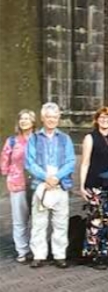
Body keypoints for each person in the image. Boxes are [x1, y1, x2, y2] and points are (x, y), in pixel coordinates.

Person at [26, 101, 75, 268]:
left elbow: (70, 161)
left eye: (55, 117)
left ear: (58, 118)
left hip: (60, 185)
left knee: (60, 222)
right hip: (41, 185)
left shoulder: (65, 139)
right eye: (48, 117)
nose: (52, 120)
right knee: (39, 222)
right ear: (42, 118)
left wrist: (57, 177)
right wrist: (46, 177)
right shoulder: (34, 138)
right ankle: (39, 255)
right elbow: (30, 162)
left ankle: (59, 255)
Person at [78, 107, 108, 268]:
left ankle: (106, 253)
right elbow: (85, 162)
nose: (105, 120)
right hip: (95, 184)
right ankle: (92, 254)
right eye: (102, 117)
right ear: (97, 120)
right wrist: (82, 185)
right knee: (96, 220)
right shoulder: (90, 138)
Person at [2, 110, 35, 263]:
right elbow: (4, 160)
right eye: (22, 118)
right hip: (18, 183)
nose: (24, 121)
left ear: (33, 122)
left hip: (37, 183)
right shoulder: (12, 141)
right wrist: (9, 175)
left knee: (38, 219)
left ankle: (37, 249)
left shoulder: (39, 139)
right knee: (19, 219)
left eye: (27, 118)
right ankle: (22, 250)